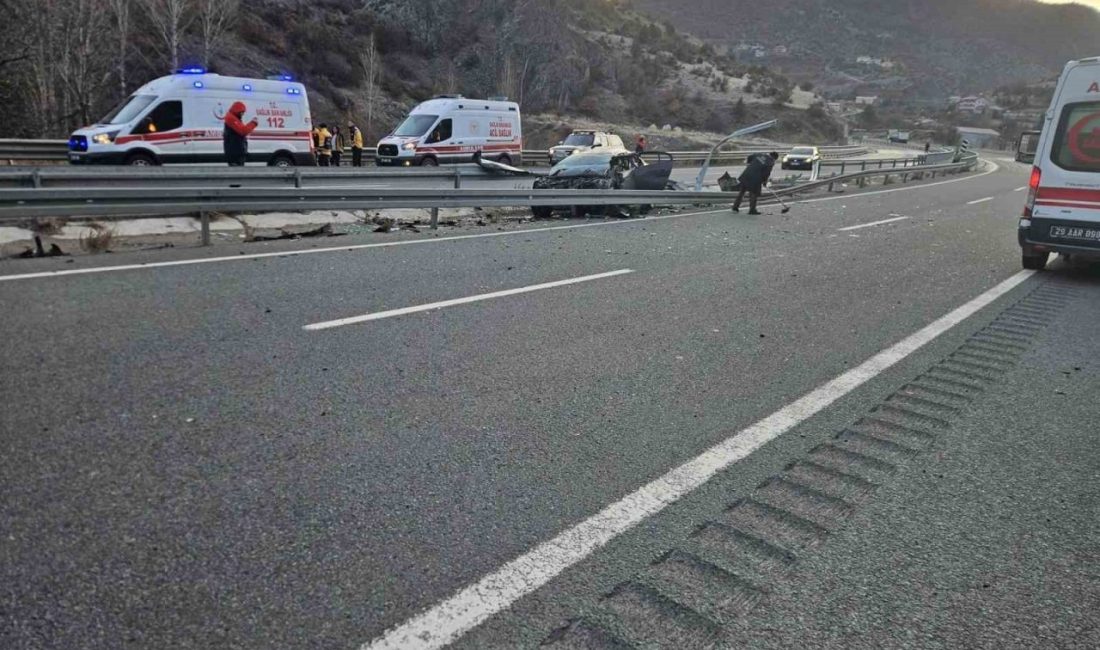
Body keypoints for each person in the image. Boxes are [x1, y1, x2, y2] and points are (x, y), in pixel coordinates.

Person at [732, 151, 778, 215]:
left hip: (746, 174)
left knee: (742, 192)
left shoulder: (759, 154)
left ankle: (735, 206)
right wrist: (764, 182)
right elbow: (766, 174)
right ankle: (752, 210)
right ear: (774, 158)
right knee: (754, 193)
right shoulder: (770, 162)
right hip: (755, 178)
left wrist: (750, 164)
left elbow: (749, 157)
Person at [223, 101, 258, 167]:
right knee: (237, 172)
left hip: (236, 152)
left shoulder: (234, 117)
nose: (243, 114)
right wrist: (253, 123)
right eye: (242, 112)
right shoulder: (231, 118)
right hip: (235, 154)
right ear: (237, 111)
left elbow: (242, 129)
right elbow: (243, 131)